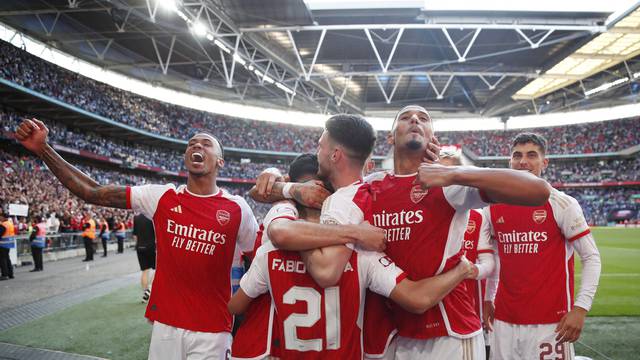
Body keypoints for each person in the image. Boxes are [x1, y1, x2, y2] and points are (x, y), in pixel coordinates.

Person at [253, 105, 550, 359]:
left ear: (432, 138)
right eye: (406, 117)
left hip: (451, 332)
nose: (415, 120)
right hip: (397, 335)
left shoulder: (447, 184)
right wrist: (279, 182)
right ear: (391, 137)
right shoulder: (371, 187)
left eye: (423, 118)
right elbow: (268, 192)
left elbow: (537, 191)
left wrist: (457, 172)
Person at [14, 117, 322, 359]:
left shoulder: (237, 208)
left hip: (213, 328)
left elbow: (258, 255)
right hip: (166, 325)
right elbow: (91, 192)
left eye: (205, 144)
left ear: (220, 162)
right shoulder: (160, 197)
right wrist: (43, 149)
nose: (195, 146)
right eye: (190, 143)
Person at [229, 115, 476, 359]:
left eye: (320, 146)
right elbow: (260, 191)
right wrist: (290, 189)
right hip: (369, 342)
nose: (317, 152)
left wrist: (291, 209)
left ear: (335, 155)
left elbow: (323, 269)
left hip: (375, 340)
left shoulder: (342, 204)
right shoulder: (364, 209)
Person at [482, 133, 601, 360]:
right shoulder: (492, 207)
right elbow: (494, 258)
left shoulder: (561, 204)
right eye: (517, 155)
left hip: (550, 323)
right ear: (510, 161)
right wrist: (489, 298)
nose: (523, 161)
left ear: (544, 162)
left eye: (531, 155)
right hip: (504, 321)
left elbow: (591, 257)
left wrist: (581, 308)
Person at [132, 213, 156, 303]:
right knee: (158, 269)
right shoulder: (153, 217)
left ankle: (145, 292)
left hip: (140, 247)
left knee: (145, 271)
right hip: (151, 246)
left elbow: (135, 235)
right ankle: (149, 288)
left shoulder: (136, 217)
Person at [0, 211, 15, 280]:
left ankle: (4, 275)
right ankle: (10, 274)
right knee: (7, 259)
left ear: (3, 217)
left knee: (3, 260)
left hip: (3, 244)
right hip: (9, 243)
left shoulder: (3, 225)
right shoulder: (10, 224)